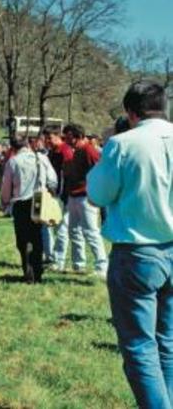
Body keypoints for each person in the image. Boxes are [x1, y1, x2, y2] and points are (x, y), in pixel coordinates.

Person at [87, 81, 173, 408]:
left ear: (130, 112)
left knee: (139, 346)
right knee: (167, 342)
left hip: (137, 252)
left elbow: (98, 193)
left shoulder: (124, 144)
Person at [0, 137, 57, 283]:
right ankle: (38, 272)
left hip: (21, 203)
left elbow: (6, 186)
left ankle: (28, 272)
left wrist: (5, 203)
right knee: (37, 237)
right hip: (38, 200)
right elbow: (52, 178)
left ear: (13, 148)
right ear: (27, 144)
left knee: (23, 240)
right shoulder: (41, 158)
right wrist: (49, 191)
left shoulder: (13, 162)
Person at [62, 123, 108, 278]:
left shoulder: (89, 150)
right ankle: (78, 264)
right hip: (74, 196)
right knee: (73, 231)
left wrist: (94, 192)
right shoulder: (78, 150)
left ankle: (102, 266)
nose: (66, 140)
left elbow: (99, 171)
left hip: (85, 197)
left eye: (69, 137)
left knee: (91, 232)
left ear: (78, 136)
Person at [42, 125, 74, 270]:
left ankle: (59, 261)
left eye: (50, 138)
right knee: (48, 225)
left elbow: (66, 175)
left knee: (61, 228)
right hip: (52, 194)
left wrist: (62, 194)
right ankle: (51, 256)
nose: (47, 141)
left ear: (58, 136)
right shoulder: (51, 152)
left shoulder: (65, 151)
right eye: (46, 138)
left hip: (62, 195)